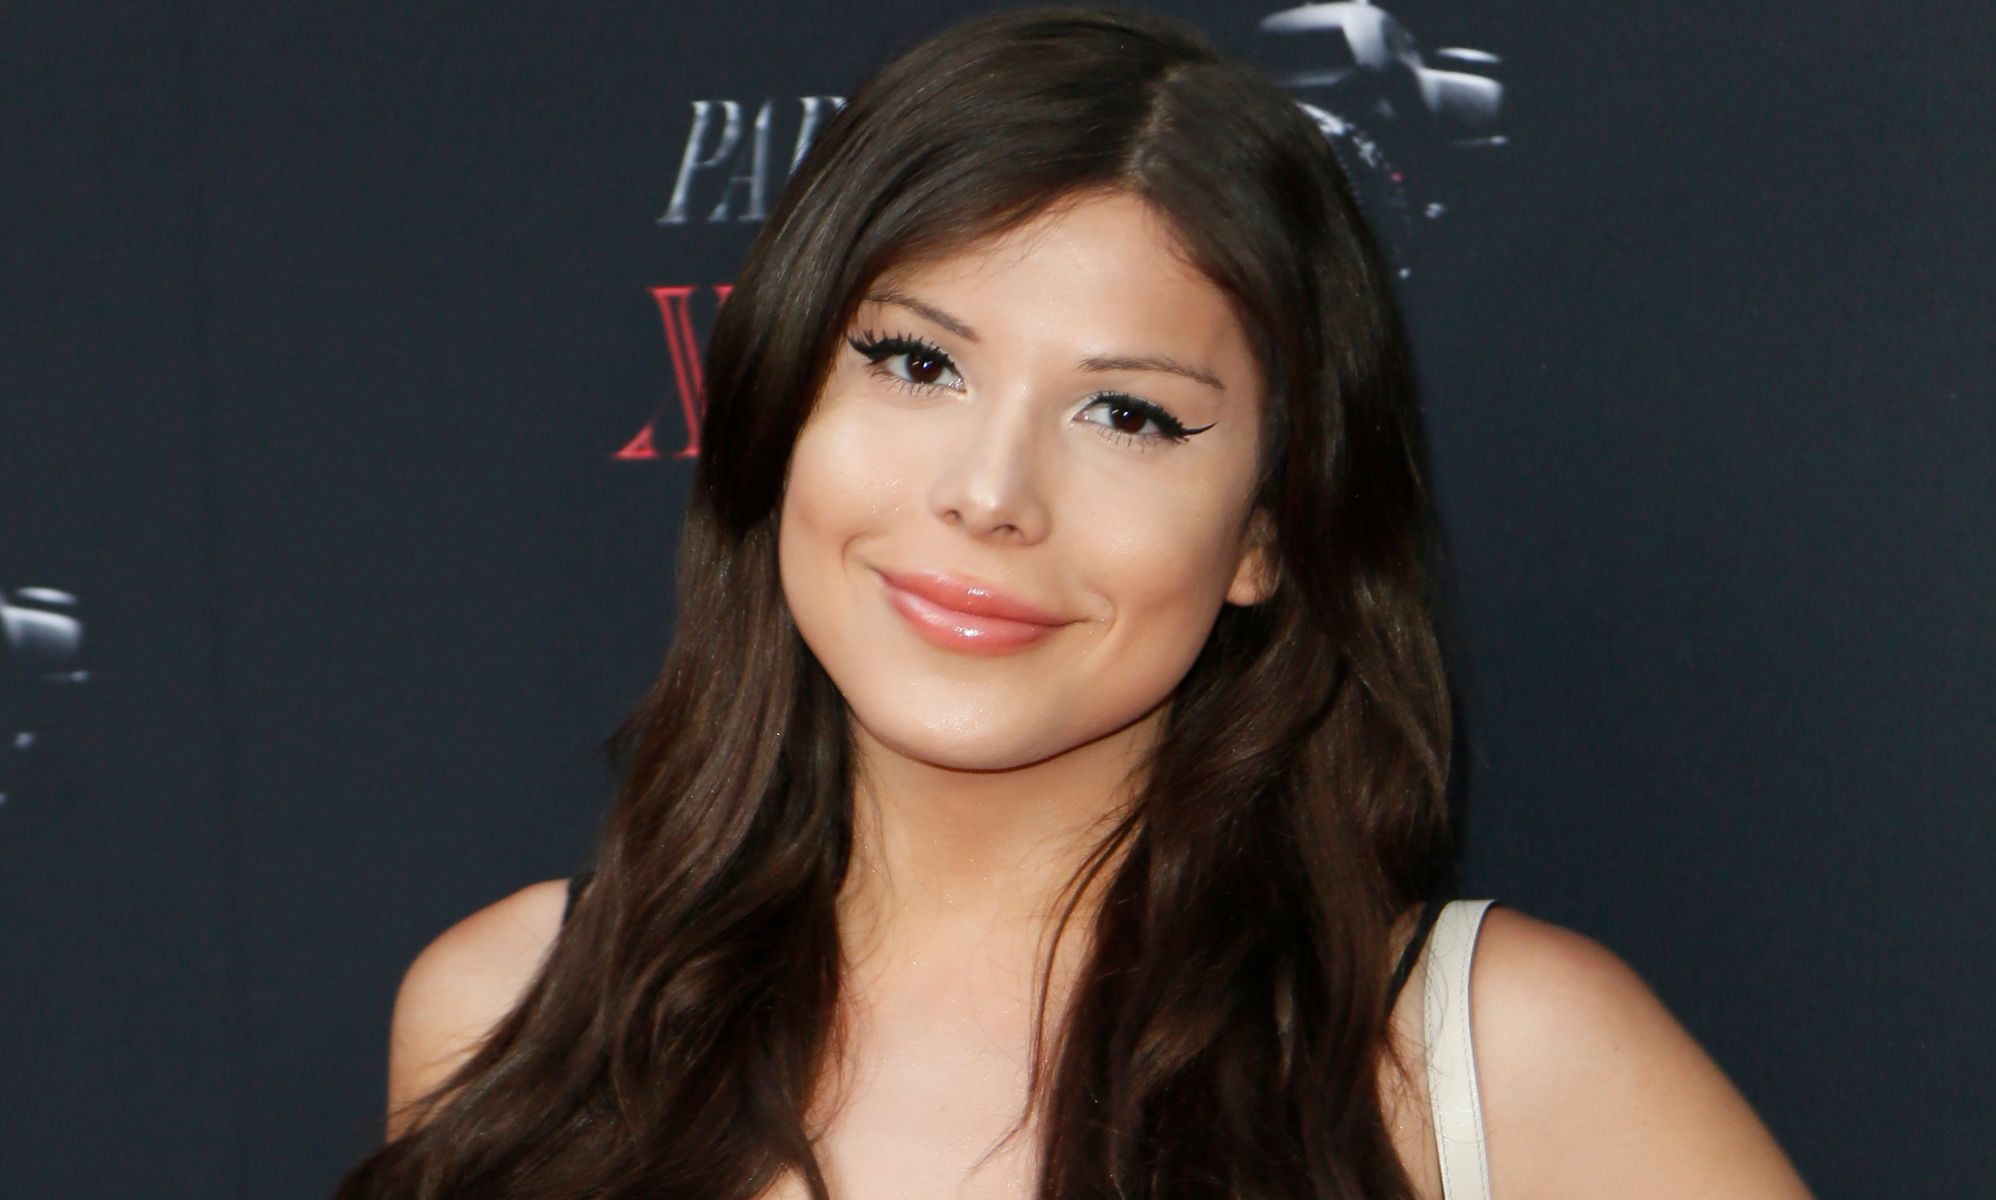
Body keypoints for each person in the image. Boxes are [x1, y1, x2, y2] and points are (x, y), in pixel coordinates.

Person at [336, 9, 1811, 1198]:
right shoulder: (509, 1019)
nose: (991, 492)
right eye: (916, 364)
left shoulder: (1495, 1063)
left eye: (1129, 416)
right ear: (781, 403)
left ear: (1269, 537)